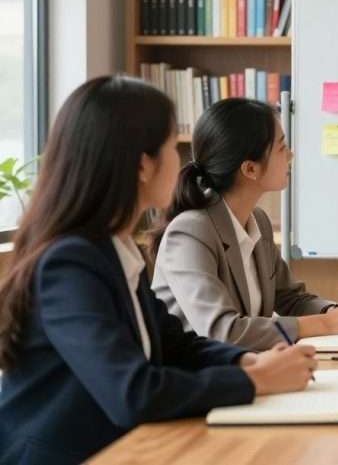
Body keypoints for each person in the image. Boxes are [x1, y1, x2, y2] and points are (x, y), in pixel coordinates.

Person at [0, 76, 316, 464]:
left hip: (126, 448)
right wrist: (257, 380)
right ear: (142, 166)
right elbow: (133, 393)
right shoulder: (69, 266)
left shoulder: (112, 251)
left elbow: (176, 344)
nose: (182, 161)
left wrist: (245, 361)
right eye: (171, 147)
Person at [151, 98, 338, 351]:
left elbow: (288, 297)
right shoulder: (190, 233)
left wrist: (335, 311)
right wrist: (327, 324)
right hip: (195, 379)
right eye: (282, 148)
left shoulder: (257, 220)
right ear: (250, 169)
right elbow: (223, 332)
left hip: (243, 369)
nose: (290, 156)